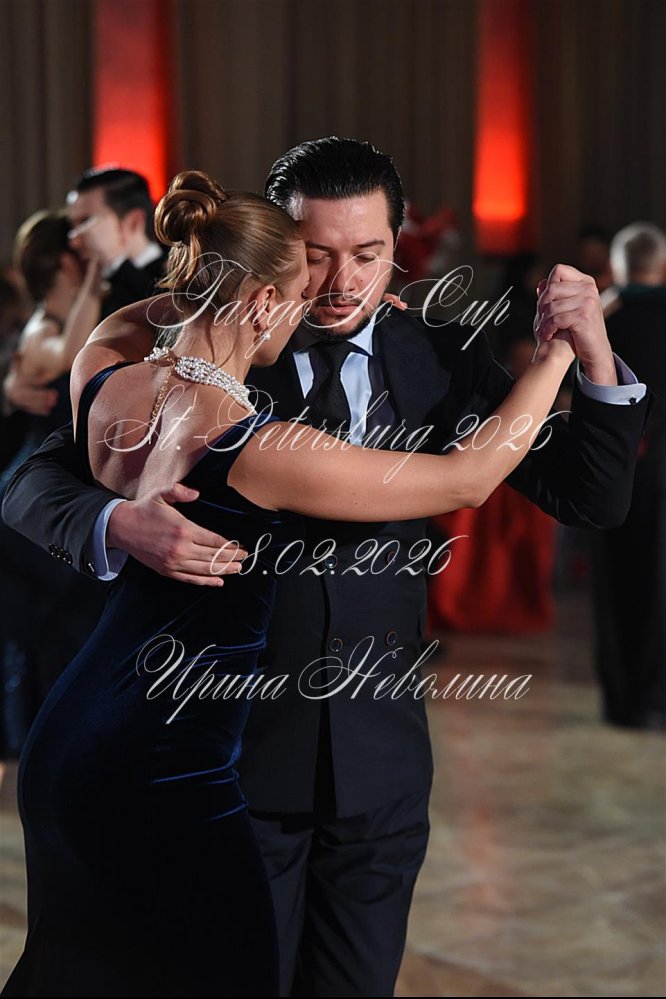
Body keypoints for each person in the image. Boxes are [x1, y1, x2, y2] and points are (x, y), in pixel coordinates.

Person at [1, 139, 650, 998]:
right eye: (318, 255)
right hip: (226, 768)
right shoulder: (223, 358)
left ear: (399, 247)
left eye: (369, 254)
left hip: (380, 771)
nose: (344, 282)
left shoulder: (438, 355)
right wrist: (117, 523)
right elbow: (30, 481)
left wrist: (592, 354)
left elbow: (589, 495)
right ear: (272, 258)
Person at [0, 211, 107, 760]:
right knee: (54, 637)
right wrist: (97, 273)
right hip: (33, 507)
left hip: (64, 498)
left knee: (70, 634)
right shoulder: (42, 327)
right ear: (67, 262)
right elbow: (76, 353)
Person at [590, 222, 666, 728]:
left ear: (617, 267)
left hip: (611, 473)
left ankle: (621, 703)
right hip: (662, 472)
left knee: (615, 586)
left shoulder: (600, 316)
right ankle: (656, 698)